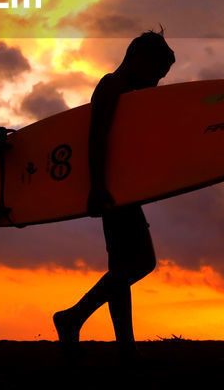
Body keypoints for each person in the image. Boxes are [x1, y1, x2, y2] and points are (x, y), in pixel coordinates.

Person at [54, 29, 175, 363]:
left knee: (121, 267)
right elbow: (96, 139)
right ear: (137, 58)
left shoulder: (130, 93)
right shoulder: (111, 86)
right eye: (155, 74)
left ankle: (126, 346)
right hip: (110, 188)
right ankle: (73, 317)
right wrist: (97, 187)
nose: (155, 82)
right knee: (142, 262)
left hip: (122, 186)